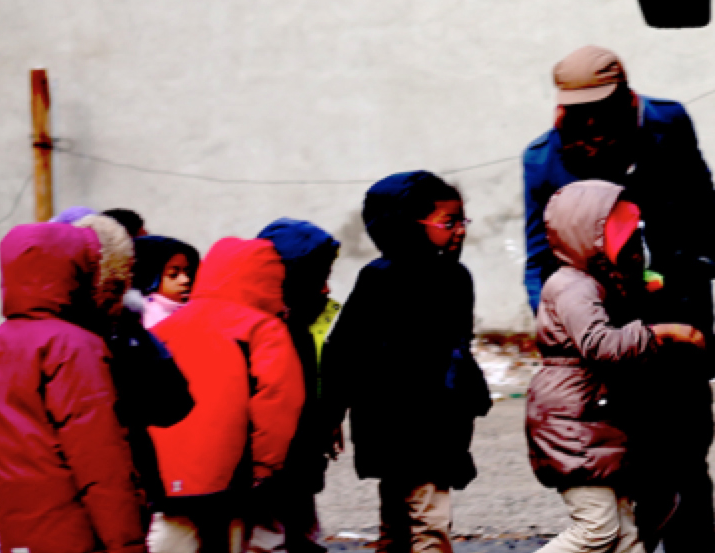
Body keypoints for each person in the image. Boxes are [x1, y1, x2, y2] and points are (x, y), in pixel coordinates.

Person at [522, 46, 715, 552]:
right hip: (606, 334)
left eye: (601, 108)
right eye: (579, 110)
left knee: (686, 455)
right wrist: (563, 324)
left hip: (677, 313)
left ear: (625, 94)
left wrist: (698, 269)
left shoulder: (668, 122)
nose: (590, 122)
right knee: (626, 461)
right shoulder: (544, 158)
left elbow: (703, 202)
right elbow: (538, 256)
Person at [528, 181, 706, 553]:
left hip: (595, 418)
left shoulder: (593, 282)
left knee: (627, 536)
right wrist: (662, 333)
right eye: (621, 240)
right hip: (575, 421)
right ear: (588, 239)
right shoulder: (573, 288)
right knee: (598, 530)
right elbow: (600, 344)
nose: (631, 250)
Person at [323, 172, 492, 553]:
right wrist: (331, 411)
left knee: (423, 520)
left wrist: (468, 393)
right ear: (406, 225)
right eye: (449, 222)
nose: (460, 231)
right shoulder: (379, 279)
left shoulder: (455, 278)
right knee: (407, 524)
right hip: (392, 422)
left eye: (462, 221)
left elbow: (458, 347)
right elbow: (345, 349)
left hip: (436, 423)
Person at [0, 221, 147, 553]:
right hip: (78, 530)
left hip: (19, 526)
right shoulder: (74, 346)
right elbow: (99, 458)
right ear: (77, 269)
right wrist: (128, 542)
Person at [149, 237, 305, 553]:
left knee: (174, 540)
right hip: (230, 473)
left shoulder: (167, 325)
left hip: (166, 474)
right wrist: (266, 466)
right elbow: (278, 398)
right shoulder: (263, 328)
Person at [68, 213, 193, 527]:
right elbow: (172, 403)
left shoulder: (4, 343)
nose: (184, 280)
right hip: (120, 472)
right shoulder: (124, 332)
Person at [255, 218, 344, 553]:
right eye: (318, 278)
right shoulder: (266, 332)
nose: (326, 289)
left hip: (302, 468)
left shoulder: (307, 325)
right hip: (273, 475)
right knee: (271, 541)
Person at [132, 235, 200, 329]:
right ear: (149, 279)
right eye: (173, 274)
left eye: (188, 273)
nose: (185, 280)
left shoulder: (198, 310)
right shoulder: (145, 319)